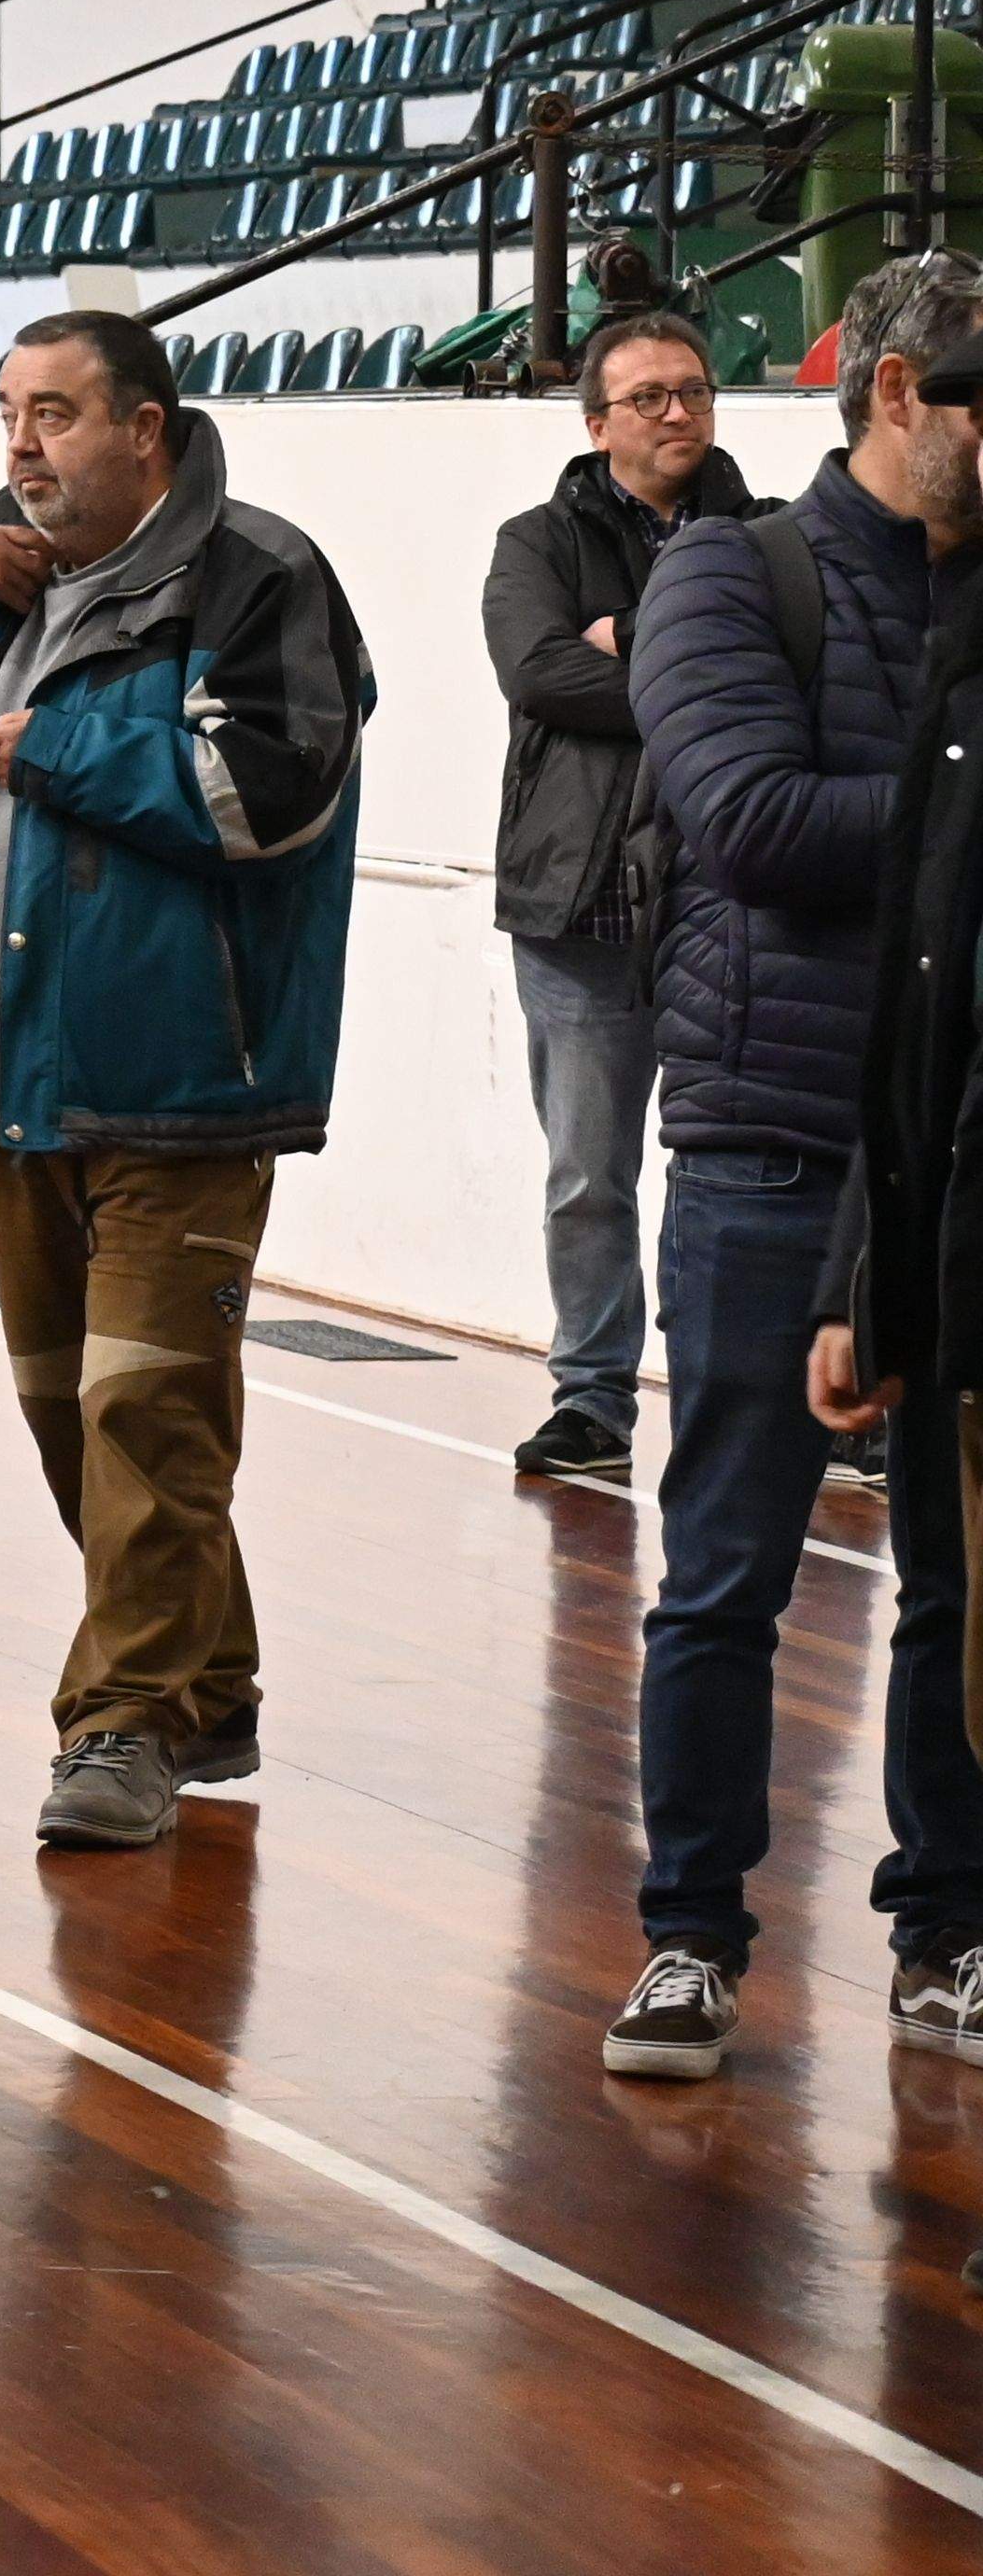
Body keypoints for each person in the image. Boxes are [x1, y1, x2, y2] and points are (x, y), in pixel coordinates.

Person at [0, 309, 372, 1852]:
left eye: (51, 415)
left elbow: (258, 790)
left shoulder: (258, 576)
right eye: (7, 420)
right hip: (12, 1077)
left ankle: (117, 1726)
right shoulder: (1, 582)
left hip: (179, 1084)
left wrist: (54, 749)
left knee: (140, 1412)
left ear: (146, 429)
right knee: (72, 1416)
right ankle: (207, 1680)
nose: (20, 448)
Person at [599, 258, 983, 2078]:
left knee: (961, 1572)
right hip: (770, 1129)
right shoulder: (723, 573)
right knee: (728, 1562)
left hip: (956, 1140)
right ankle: (689, 1929)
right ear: (896, 390)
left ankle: (951, 1922)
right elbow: (748, 819)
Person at [487, 311, 756, 1484]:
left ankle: (774, 1402)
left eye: (691, 389)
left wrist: (629, 640)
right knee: (588, 1176)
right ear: (596, 424)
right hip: (579, 906)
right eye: (647, 396)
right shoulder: (534, 539)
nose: (677, 411)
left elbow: (789, 674)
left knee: (749, 1171)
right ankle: (592, 1401)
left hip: (734, 908)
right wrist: (696, 662)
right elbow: (539, 673)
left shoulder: (771, 533)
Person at [821, 319, 983, 2109]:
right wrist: (864, 1279)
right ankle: (942, 1911)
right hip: (947, 1255)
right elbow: (913, 1009)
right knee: (940, 1596)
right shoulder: (953, 658)